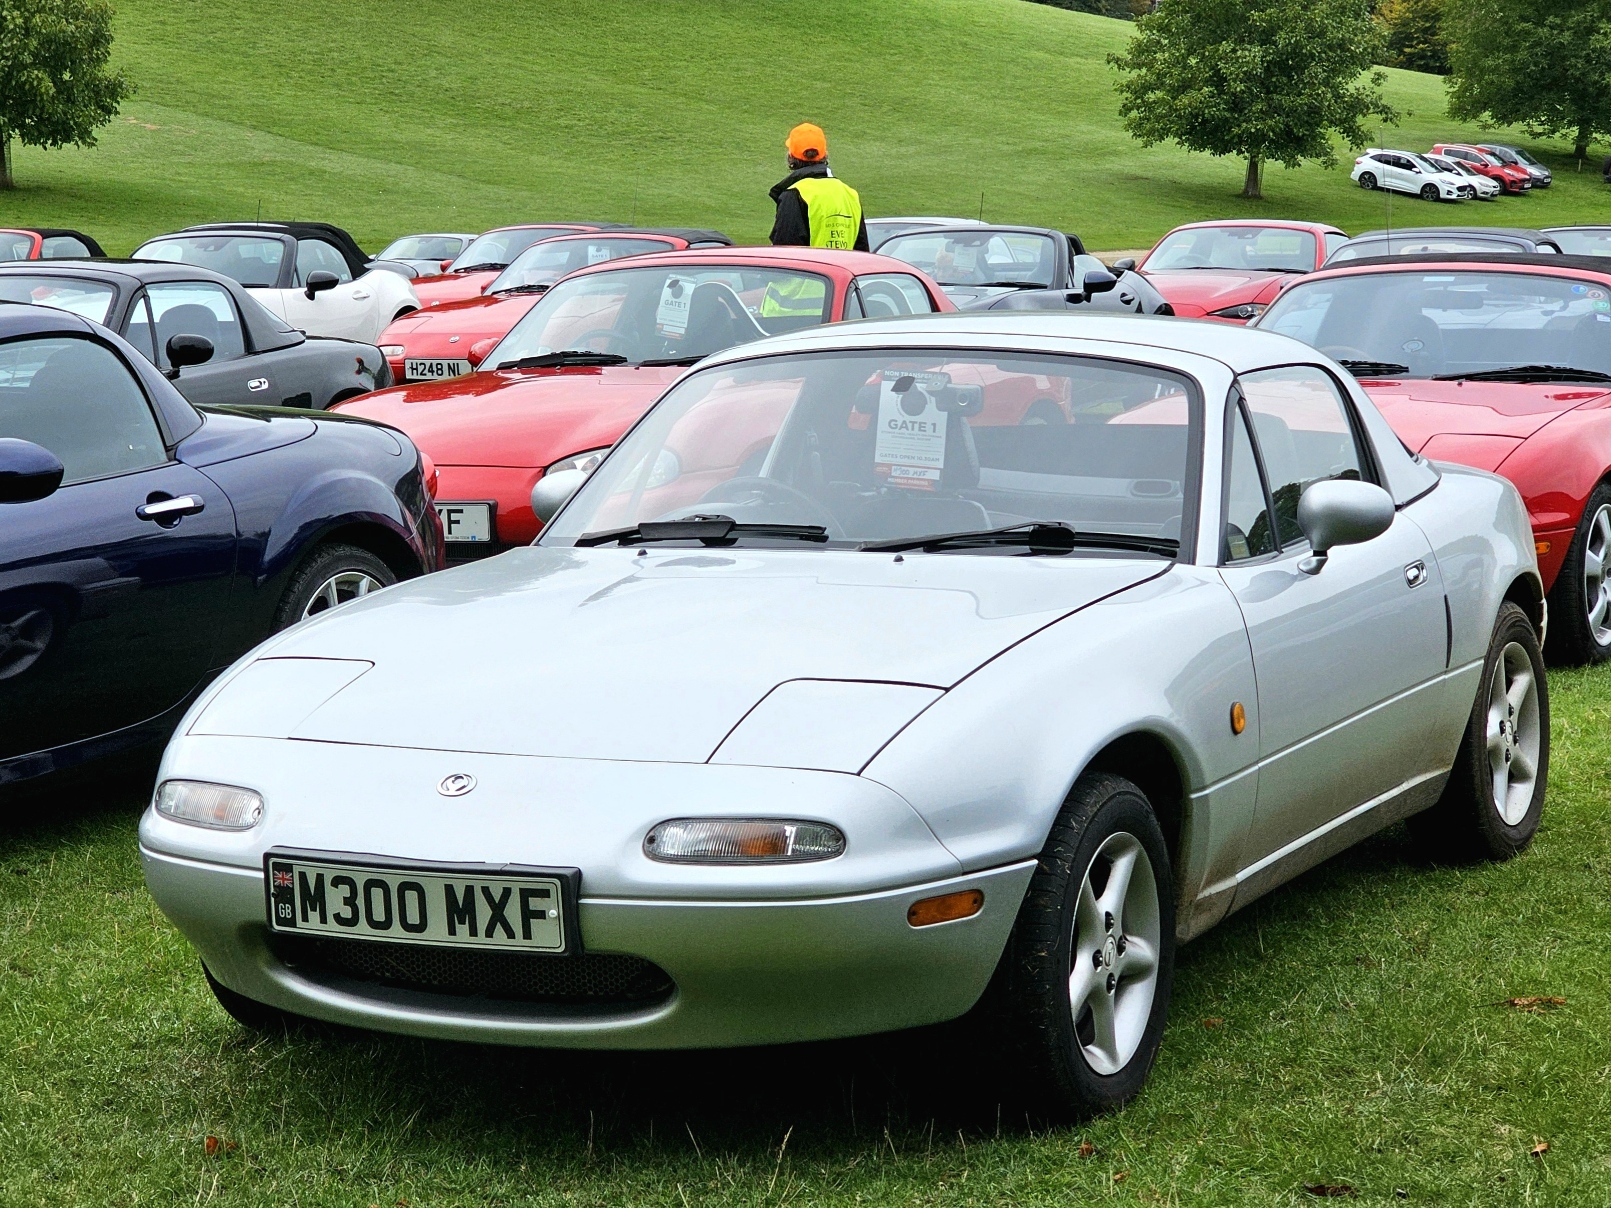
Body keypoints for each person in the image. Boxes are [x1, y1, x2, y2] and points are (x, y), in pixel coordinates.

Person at [769, 123, 870, 252]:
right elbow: (862, 253)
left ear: (790, 157)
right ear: (824, 154)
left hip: (810, 272)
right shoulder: (849, 194)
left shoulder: (794, 194)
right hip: (841, 271)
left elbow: (785, 253)